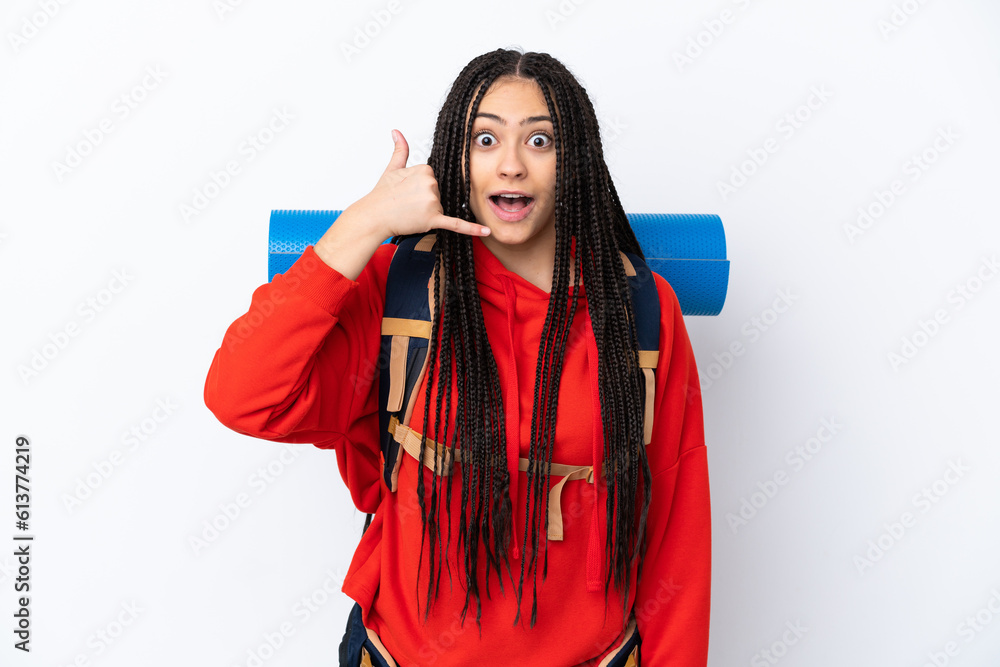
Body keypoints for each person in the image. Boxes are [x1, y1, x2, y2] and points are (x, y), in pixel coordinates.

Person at [204, 48, 711, 666]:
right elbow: (241, 397)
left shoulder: (639, 314)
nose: (513, 166)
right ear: (456, 160)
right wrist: (363, 225)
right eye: (486, 139)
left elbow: (677, 538)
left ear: (573, 161)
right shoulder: (400, 290)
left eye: (541, 141)